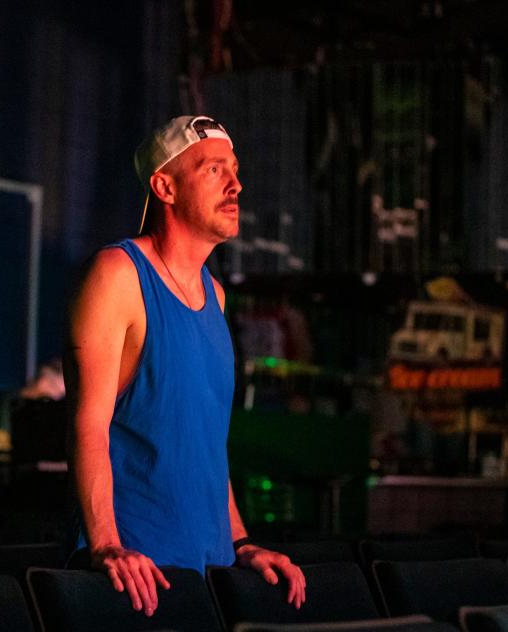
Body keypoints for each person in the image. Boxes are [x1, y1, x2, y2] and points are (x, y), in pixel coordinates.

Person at [66, 115, 306, 617]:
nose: (236, 184)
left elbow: (204, 446)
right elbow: (88, 424)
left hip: (211, 574)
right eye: (214, 169)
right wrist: (105, 544)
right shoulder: (118, 274)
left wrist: (241, 543)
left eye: (235, 169)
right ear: (164, 186)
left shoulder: (215, 296)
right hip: (138, 576)